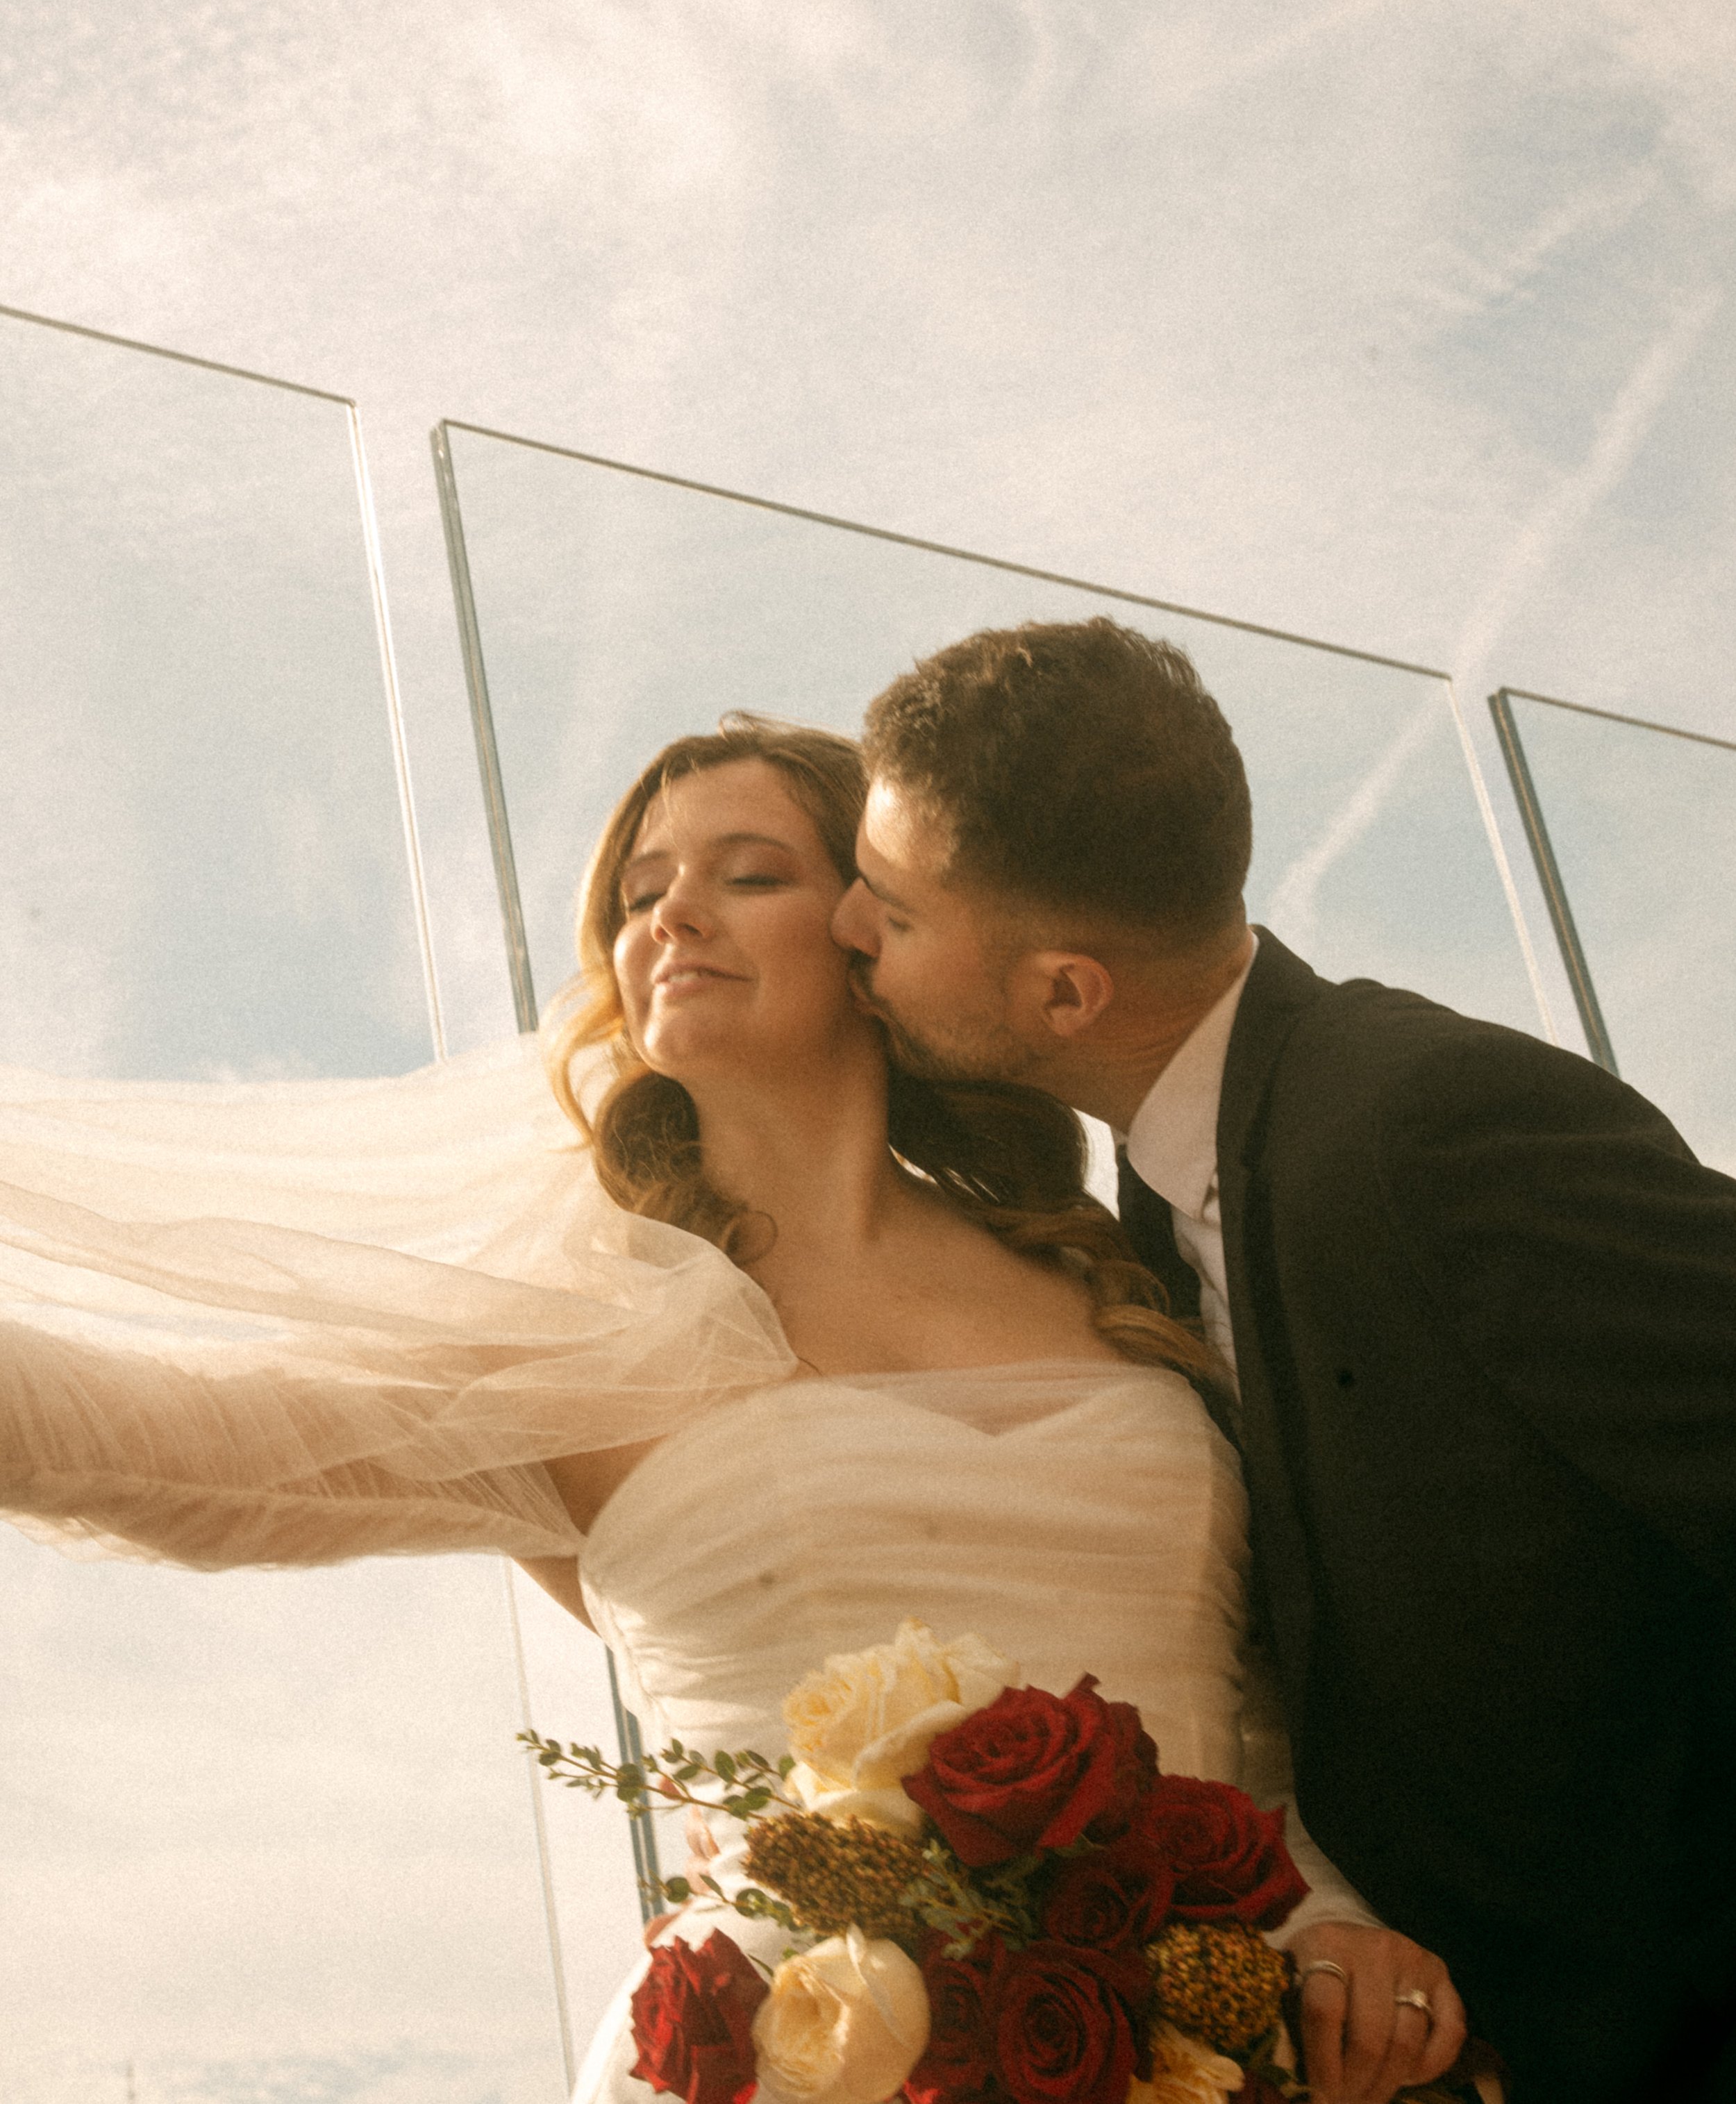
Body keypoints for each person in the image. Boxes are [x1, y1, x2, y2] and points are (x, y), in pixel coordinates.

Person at [0, 719, 1467, 2104]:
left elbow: (1263, 1708)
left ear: (870, 936)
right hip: (796, 2056)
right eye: (642, 893)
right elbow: (154, 1446)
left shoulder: (1117, 1287)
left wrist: (1334, 1930)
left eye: (747, 874)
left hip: (1205, 2051)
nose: (674, 915)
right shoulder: (576, 1337)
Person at [831, 620, 1736, 2104]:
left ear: (1067, 992)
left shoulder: (1425, 1125)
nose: (853, 931)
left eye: (900, 911)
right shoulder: (1133, 1223)